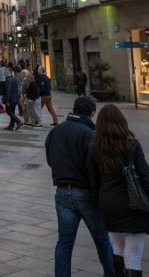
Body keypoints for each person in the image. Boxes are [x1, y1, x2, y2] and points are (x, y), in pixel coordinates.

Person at [87, 104, 149, 277]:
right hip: (132, 205)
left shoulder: (94, 149)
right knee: (133, 255)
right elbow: (148, 181)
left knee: (118, 248)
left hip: (109, 204)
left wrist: (100, 207)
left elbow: (93, 183)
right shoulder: (132, 146)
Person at [45, 96, 115, 277]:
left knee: (65, 242)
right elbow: (98, 166)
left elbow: (50, 159)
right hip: (86, 193)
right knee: (102, 239)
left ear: (74, 109)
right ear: (91, 114)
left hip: (62, 192)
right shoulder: (89, 134)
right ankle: (112, 273)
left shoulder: (56, 131)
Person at [3, 66, 23, 131]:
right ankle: (11, 125)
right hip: (15, 98)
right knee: (12, 112)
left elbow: (8, 91)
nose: (4, 74)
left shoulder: (8, 80)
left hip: (10, 99)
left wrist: (7, 101)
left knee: (8, 111)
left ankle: (18, 121)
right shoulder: (14, 79)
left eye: (5, 72)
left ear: (8, 73)